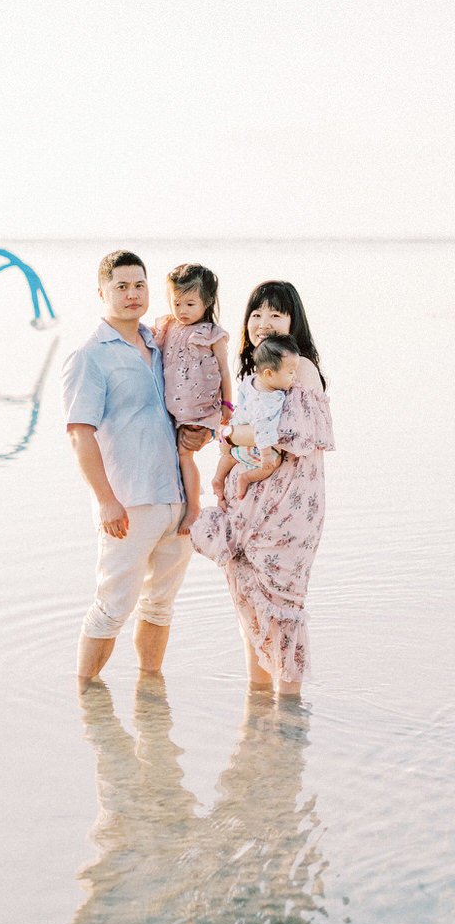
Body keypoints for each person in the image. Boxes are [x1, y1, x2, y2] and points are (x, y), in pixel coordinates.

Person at [190, 281, 334, 697]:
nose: (263, 323)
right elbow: (246, 434)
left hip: (290, 508)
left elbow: (294, 432)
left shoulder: (299, 367)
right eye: (256, 314)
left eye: (275, 314)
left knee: (284, 605)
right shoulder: (257, 375)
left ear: (293, 322)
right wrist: (231, 444)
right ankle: (256, 717)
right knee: (249, 604)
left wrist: (232, 436)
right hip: (249, 504)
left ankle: (289, 719)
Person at [62, 251, 191, 687]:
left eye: (139, 285)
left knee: (160, 604)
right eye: (122, 286)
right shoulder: (89, 356)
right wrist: (105, 501)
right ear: (103, 292)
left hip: (176, 499)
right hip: (128, 503)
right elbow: (80, 435)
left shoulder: (161, 343)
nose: (132, 294)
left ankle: (151, 700)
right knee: (112, 606)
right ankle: (87, 704)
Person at [151, 264, 233, 531]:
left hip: (200, 408)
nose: (182, 311)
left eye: (190, 303)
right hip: (175, 408)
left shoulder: (211, 334)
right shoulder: (168, 326)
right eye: (177, 303)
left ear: (207, 302)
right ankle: (176, 503)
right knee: (175, 454)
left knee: (185, 455)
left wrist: (227, 405)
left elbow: (224, 370)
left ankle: (194, 507)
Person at [211, 333, 301, 507]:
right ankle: (246, 478)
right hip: (253, 444)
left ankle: (218, 477)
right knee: (274, 463)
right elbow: (261, 427)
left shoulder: (249, 381)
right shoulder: (271, 399)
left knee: (229, 457)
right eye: (291, 372)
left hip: (235, 433)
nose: (294, 377)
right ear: (269, 373)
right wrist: (266, 454)